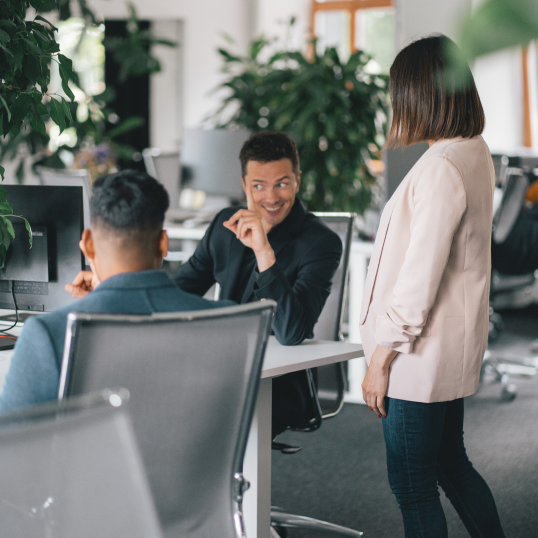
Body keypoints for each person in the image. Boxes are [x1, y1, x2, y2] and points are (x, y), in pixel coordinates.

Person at [359, 35, 506, 538]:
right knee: (451, 466)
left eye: (401, 94)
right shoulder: (472, 151)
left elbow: (419, 274)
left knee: (413, 484)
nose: (397, 106)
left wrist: (381, 359)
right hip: (443, 346)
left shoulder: (443, 165)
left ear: (422, 95)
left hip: (415, 357)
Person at [0, 170, 233, 414]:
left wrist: (101, 302)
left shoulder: (50, 334)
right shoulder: (226, 320)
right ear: (163, 244)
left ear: (87, 245)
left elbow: (12, 442)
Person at [174, 131, 343, 435]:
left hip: (279, 385)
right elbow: (178, 292)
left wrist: (264, 253)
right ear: (244, 186)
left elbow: (292, 332)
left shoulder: (320, 242)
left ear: (298, 181)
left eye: (282, 183)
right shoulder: (225, 225)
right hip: (218, 370)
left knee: (196, 424)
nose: (271, 197)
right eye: (258, 186)